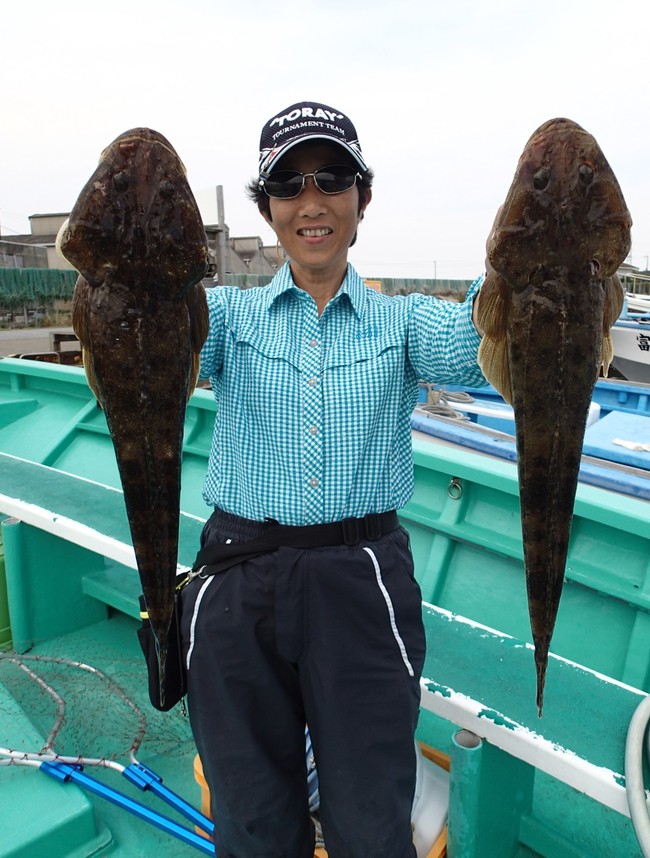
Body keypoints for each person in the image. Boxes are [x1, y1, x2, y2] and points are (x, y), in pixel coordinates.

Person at [180, 101, 486, 858]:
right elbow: (154, 343)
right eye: (287, 183)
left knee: (371, 814)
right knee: (249, 817)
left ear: (362, 199)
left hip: (362, 579)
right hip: (236, 575)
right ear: (267, 208)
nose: (310, 201)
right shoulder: (222, 317)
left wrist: (535, 255)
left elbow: (489, 342)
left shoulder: (407, 322)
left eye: (332, 178)